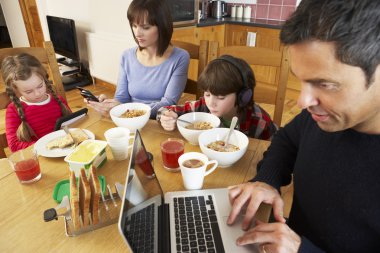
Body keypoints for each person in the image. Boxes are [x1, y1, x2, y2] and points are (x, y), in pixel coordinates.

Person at [226, 0, 380, 252]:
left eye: (325, 84)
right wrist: (267, 179)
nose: (303, 101)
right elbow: (287, 139)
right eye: (303, 82)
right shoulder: (322, 116)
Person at [87, 0, 190, 118]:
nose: (137, 33)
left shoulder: (180, 57)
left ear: (162, 26)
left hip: (159, 122)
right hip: (128, 120)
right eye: (134, 26)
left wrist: (127, 110)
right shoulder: (127, 56)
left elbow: (168, 103)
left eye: (145, 27)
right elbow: (121, 98)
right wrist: (110, 104)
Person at [158, 55, 278, 140]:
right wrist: (166, 117)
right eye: (207, 94)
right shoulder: (203, 106)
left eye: (220, 97)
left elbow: (275, 153)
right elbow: (163, 111)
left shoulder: (260, 121)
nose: (211, 103)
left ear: (243, 96)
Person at [3, 53, 71, 152]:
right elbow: (14, 146)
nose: (37, 93)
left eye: (40, 86)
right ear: (16, 91)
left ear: (44, 79)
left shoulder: (59, 100)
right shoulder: (13, 110)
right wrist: (45, 146)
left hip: (67, 151)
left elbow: (73, 127)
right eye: (28, 91)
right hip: (40, 158)